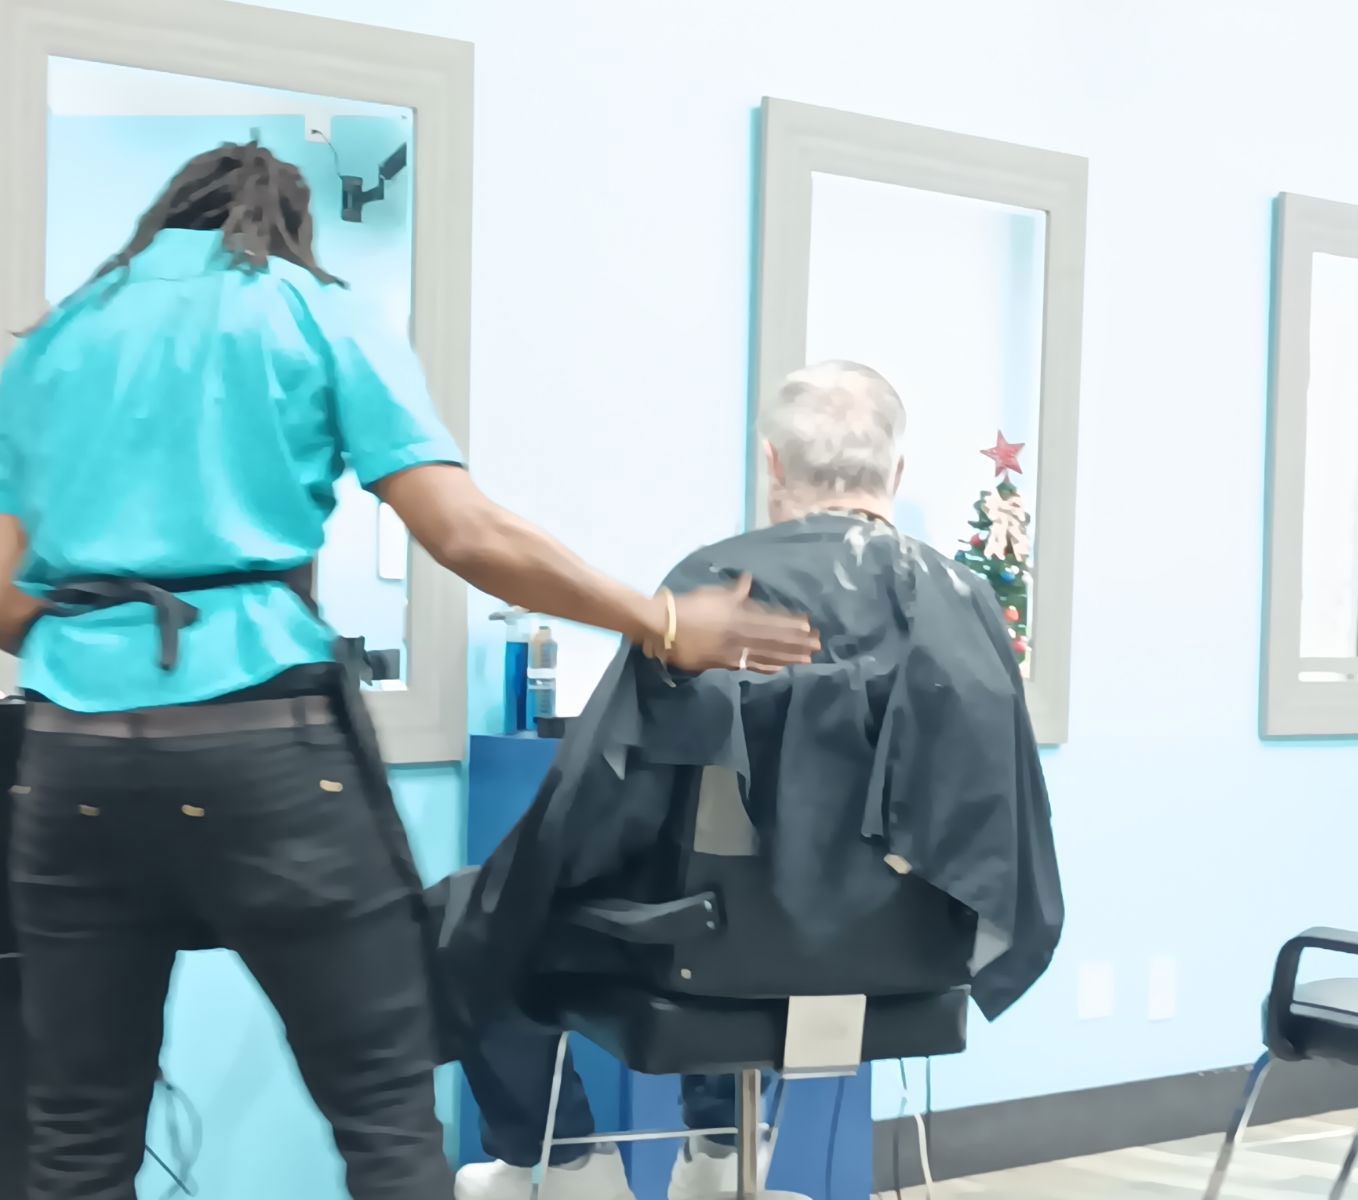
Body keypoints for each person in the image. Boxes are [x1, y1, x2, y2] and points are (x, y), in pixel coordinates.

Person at [0, 142, 817, 1200]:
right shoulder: (308, 308)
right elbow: (464, 532)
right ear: (285, 227)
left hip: (70, 766)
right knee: (383, 1112)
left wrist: (105, 645)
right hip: (265, 753)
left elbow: (10, 602)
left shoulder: (57, 339)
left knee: (73, 1136)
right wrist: (661, 618)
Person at [441, 361, 1064, 1200]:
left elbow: (601, 803)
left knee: (479, 914)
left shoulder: (717, 584)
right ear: (898, 473)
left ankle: (566, 1168)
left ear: (771, 464)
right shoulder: (967, 597)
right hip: (915, 951)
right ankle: (722, 1158)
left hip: (716, 949)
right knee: (752, 905)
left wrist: (528, 879)